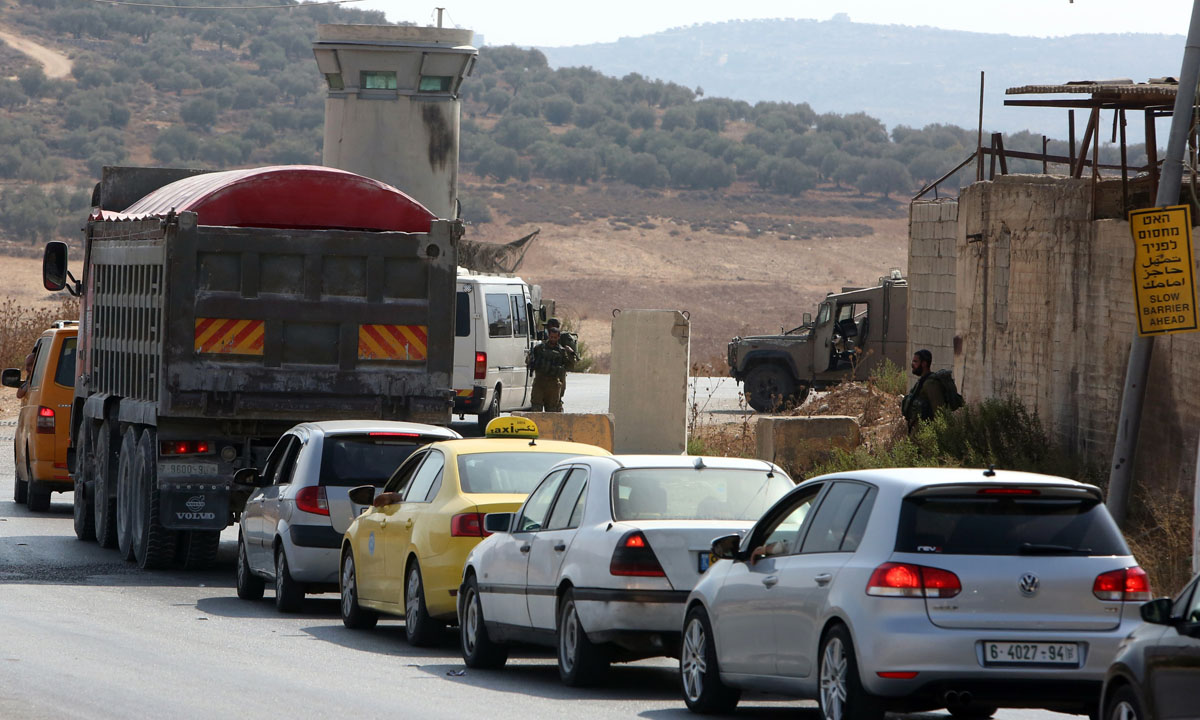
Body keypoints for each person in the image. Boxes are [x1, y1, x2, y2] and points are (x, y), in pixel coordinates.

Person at [528, 327, 575, 412]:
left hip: (553, 385)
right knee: (536, 409)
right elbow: (529, 362)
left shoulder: (562, 351)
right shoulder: (539, 348)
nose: (553, 339)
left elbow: (571, 366)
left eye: (555, 337)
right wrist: (530, 359)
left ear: (558, 337)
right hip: (539, 383)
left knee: (552, 412)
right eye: (551, 337)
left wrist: (571, 353)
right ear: (548, 336)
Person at [901, 348, 946, 433]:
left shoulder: (931, 384)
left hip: (924, 434)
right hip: (917, 432)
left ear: (924, 364)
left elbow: (939, 411)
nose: (912, 364)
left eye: (915, 361)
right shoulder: (922, 382)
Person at [543, 318, 577, 398]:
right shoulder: (543, 344)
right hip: (544, 376)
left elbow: (571, 365)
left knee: (557, 400)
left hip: (558, 375)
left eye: (550, 327)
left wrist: (570, 353)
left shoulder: (563, 345)